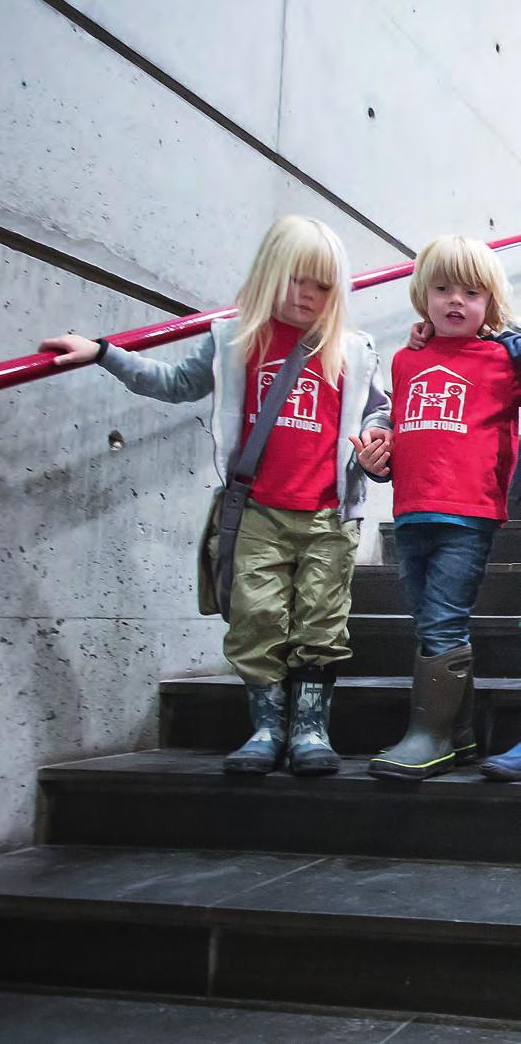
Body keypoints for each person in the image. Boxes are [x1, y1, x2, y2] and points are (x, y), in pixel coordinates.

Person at [40, 215, 391, 777]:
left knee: (321, 624)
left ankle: (309, 729)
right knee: (256, 617)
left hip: (328, 514)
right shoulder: (233, 339)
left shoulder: (352, 348)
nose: (306, 295)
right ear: (269, 274)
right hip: (256, 511)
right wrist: (105, 352)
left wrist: (378, 441)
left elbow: (378, 410)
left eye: (322, 285)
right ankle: (267, 727)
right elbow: (176, 383)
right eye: (295, 279)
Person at [352, 235, 521, 781]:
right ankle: (462, 730)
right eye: (442, 289)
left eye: (471, 292)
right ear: (421, 296)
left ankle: (430, 736)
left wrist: (508, 334)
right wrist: (380, 456)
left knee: (444, 619)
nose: (455, 301)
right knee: (428, 620)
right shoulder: (406, 359)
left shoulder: (501, 360)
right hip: (411, 510)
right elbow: (402, 428)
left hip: (468, 513)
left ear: (490, 302)